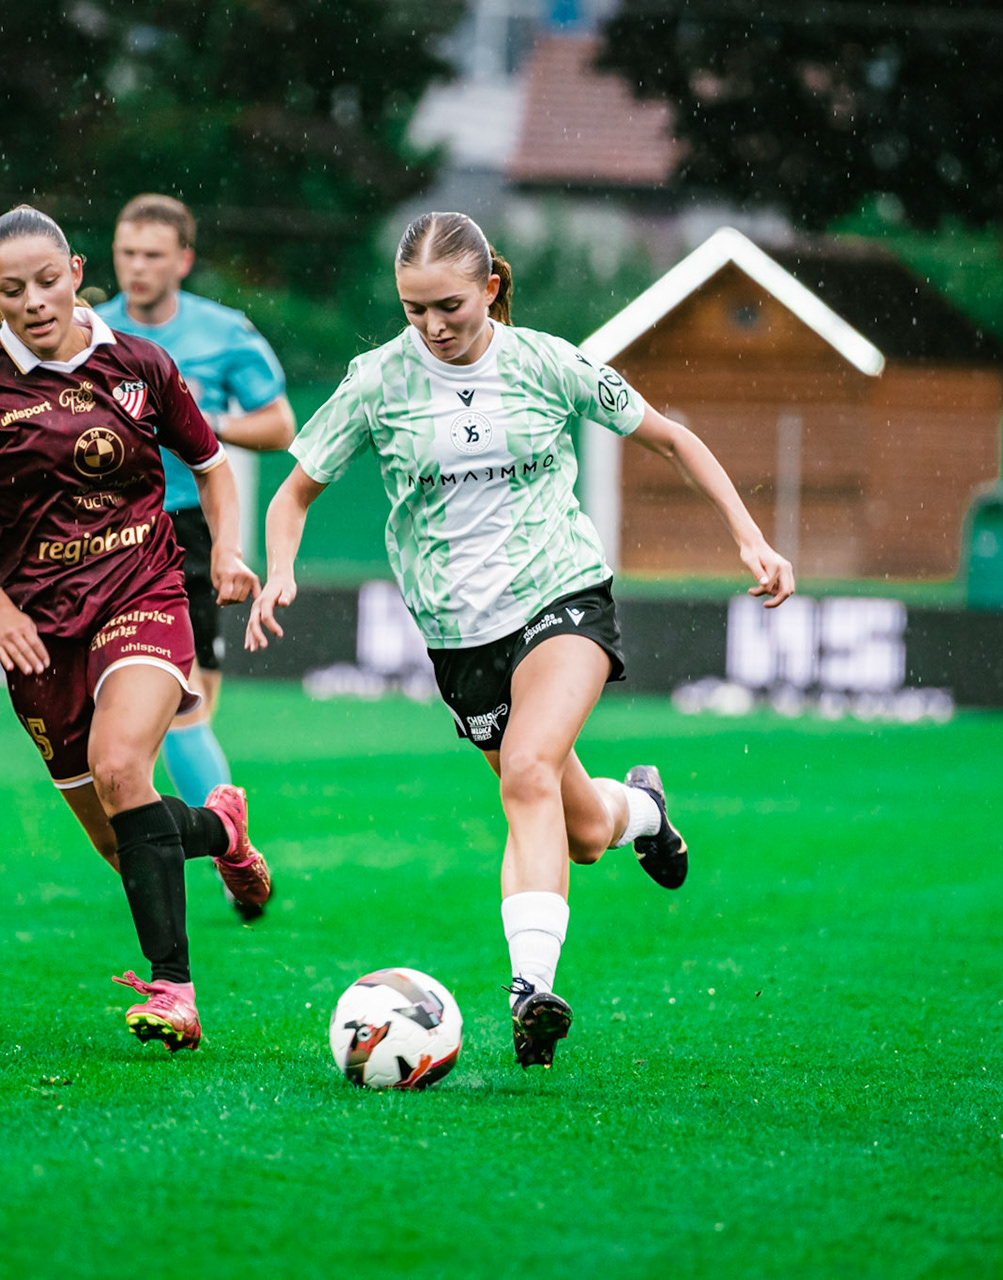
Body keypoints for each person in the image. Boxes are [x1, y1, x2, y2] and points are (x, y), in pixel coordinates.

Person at [245, 212, 795, 1069]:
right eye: (413, 308)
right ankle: (645, 810)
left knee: (531, 771)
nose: (431, 326)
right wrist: (281, 567)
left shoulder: (545, 361)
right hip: (459, 638)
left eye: (450, 306)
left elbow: (672, 438)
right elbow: (292, 495)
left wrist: (750, 537)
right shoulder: (376, 382)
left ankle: (529, 992)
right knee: (576, 827)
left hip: (560, 592)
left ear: (491, 288)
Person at [0, 205, 273, 1053]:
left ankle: (176, 992)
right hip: (37, 631)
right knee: (124, 847)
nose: (34, 300)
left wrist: (228, 553)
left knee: (122, 767)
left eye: (46, 280)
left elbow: (214, 466)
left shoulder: (140, 363)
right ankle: (220, 831)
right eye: (11, 290)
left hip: (143, 590)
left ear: (75, 271)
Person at [93, 195, 296, 922]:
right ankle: (219, 848)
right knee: (144, 719)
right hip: (103, 532)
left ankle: (219, 853)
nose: (138, 267)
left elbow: (279, 426)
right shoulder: (92, 332)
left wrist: (205, 425)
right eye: (127, 252)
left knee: (187, 707)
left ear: (182, 259)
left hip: (186, 531)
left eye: (153, 254)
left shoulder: (222, 332)